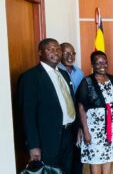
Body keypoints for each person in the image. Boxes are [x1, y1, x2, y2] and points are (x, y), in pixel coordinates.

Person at [19, 38, 75, 174]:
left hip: (68, 135)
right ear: (40, 53)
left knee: (67, 170)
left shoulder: (63, 74)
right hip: (47, 139)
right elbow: (28, 115)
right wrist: (33, 145)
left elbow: (70, 102)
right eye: (50, 49)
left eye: (57, 49)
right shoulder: (30, 77)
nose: (55, 52)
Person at [76, 51, 113, 174]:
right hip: (94, 129)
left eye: (104, 62)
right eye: (98, 63)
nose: (102, 65)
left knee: (108, 159)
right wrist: (86, 131)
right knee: (96, 160)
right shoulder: (87, 81)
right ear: (92, 65)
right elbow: (81, 107)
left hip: (112, 126)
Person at [58, 42, 84, 174]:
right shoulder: (56, 72)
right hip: (63, 122)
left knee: (77, 154)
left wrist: (81, 124)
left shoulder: (79, 72)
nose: (70, 56)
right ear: (59, 54)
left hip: (77, 119)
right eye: (66, 53)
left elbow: (81, 98)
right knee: (64, 159)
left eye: (73, 53)